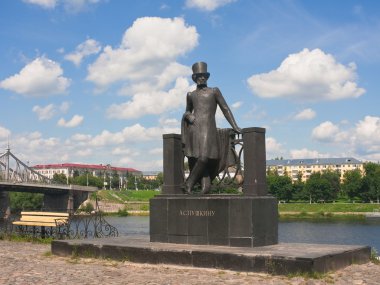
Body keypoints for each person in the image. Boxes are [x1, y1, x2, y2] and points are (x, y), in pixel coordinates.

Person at [182, 62, 241, 194]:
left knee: (204, 158)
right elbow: (187, 111)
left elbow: (225, 109)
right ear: (194, 78)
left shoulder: (214, 91)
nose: (202, 78)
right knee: (199, 159)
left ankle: (188, 183)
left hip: (208, 129)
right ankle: (205, 188)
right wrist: (188, 116)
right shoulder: (190, 95)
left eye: (204, 76)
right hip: (195, 129)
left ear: (207, 77)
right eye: (199, 76)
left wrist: (235, 126)